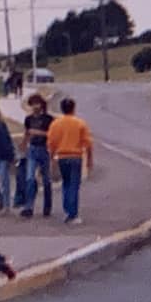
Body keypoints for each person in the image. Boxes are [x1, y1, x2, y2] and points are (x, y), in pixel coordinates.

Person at [48, 96, 93, 225]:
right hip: (75, 157)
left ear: (62, 109)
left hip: (62, 157)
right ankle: (73, 214)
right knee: (74, 185)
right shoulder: (80, 123)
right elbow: (88, 143)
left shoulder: (55, 124)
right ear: (73, 108)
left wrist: (52, 157)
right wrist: (89, 159)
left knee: (66, 184)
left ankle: (67, 210)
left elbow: (51, 142)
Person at [19, 93, 54, 218]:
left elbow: (52, 135)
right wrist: (23, 144)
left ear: (42, 105)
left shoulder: (49, 119)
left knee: (46, 180)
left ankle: (47, 206)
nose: (35, 106)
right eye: (33, 104)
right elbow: (27, 133)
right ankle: (29, 207)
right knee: (29, 178)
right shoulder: (28, 119)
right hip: (32, 150)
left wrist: (38, 132)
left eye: (37, 103)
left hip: (44, 149)